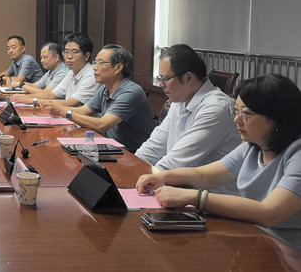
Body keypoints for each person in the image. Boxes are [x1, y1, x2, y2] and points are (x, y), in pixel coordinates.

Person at [136, 74, 301, 250]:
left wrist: (195, 197)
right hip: (253, 238)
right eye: (236, 111)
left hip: (287, 250)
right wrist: (164, 176)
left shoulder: (296, 155)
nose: (237, 120)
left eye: (246, 113)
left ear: (277, 118)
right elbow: (204, 176)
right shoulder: (253, 147)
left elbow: (269, 214)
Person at [135, 44, 241, 183]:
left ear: (188, 78)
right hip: (180, 187)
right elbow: (154, 145)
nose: (161, 84)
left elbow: (175, 163)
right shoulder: (180, 100)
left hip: (209, 194)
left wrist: (142, 180)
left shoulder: (215, 109)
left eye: (165, 79)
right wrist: (132, 169)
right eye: (160, 78)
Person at [45, 44, 155, 152]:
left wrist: (63, 111)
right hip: (113, 147)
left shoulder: (131, 92)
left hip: (135, 154)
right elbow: (83, 111)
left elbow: (102, 125)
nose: (95, 67)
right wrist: (55, 107)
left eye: (100, 63)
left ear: (118, 67)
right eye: (95, 62)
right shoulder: (104, 89)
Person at [12, 33, 99, 107]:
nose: (69, 56)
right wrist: (24, 98)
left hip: (83, 121)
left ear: (86, 56)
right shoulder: (71, 73)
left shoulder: (91, 75)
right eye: (66, 52)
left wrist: (33, 100)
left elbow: (70, 103)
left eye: (74, 52)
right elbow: (50, 95)